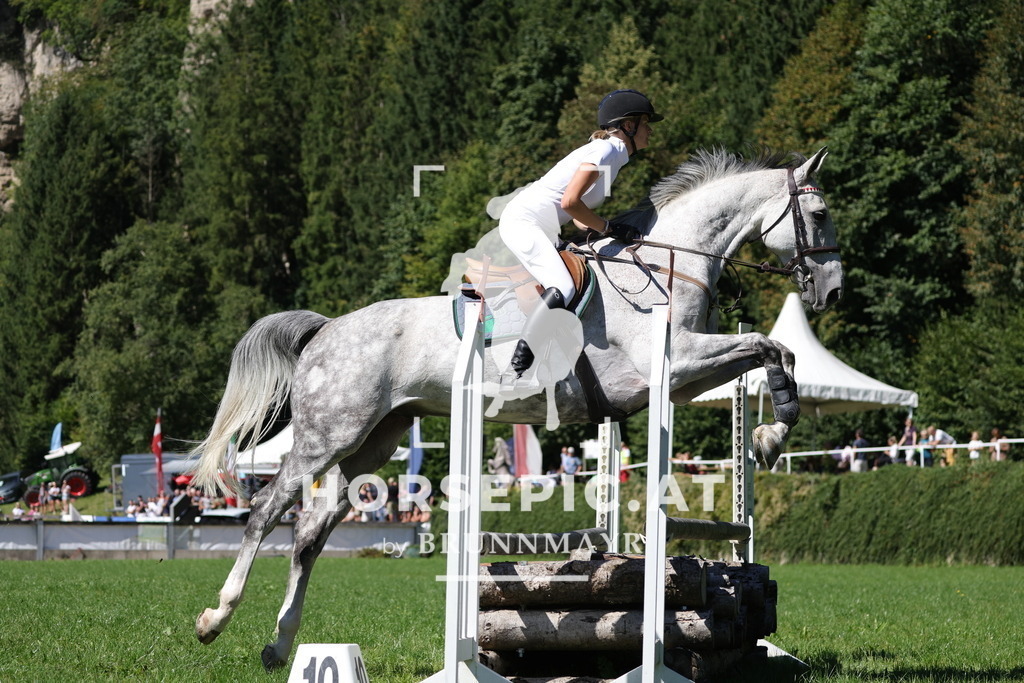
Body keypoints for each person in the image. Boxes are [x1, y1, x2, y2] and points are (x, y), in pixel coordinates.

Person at [498, 89, 663, 381]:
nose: (650, 130)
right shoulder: (606, 151)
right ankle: (519, 364)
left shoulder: (614, 156)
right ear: (628, 126)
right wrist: (609, 227)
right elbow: (570, 203)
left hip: (544, 226)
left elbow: (577, 214)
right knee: (563, 285)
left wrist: (607, 229)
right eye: (646, 123)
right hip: (524, 222)